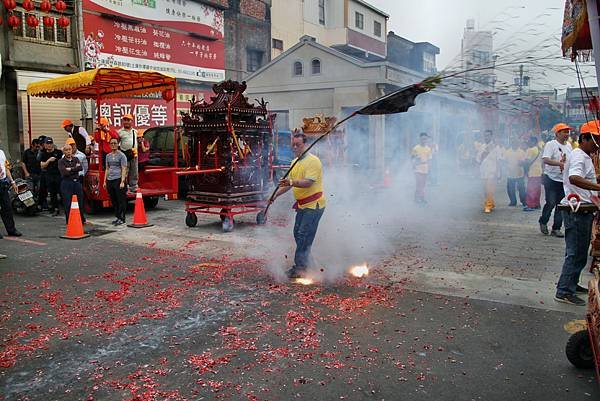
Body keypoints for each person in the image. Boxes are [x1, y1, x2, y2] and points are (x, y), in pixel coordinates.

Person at [554, 125, 600, 305]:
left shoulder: (582, 155)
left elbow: (585, 178)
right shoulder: (579, 156)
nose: (598, 146)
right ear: (585, 139)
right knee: (575, 253)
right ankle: (564, 291)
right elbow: (574, 177)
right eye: (596, 141)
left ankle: (571, 284)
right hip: (577, 211)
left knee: (580, 252)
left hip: (583, 209)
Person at [272, 132, 326, 278]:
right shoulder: (294, 162)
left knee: (303, 234)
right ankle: (308, 262)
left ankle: (300, 268)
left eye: (298, 145)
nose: (295, 148)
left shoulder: (313, 161)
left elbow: (308, 182)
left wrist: (291, 182)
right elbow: (289, 184)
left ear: (305, 145)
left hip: (314, 205)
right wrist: (275, 195)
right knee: (298, 233)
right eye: (293, 145)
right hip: (302, 206)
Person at [539, 123, 573, 237]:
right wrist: (559, 163)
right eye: (564, 132)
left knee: (561, 205)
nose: (567, 134)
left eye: (568, 132)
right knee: (551, 202)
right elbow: (545, 159)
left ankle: (556, 228)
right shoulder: (551, 144)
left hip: (563, 180)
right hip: (551, 178)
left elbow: (570, 160)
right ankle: (543, 221)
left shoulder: (569, 145)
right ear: (557, 133)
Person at [0, 139, 22, 238]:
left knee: (7, 208)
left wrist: (12, 182)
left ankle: (11, 229)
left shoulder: (1, 153)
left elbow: (6, 167)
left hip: (3, 183)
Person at [103, 137, 128, 226]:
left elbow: (124, 168)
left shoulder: (122, 155)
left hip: (118, 179)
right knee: (113, 200)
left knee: (120, 199)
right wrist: (104, 181)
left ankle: (122, 218)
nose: (113, 145)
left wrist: (122, 181)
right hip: (110, 179)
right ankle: (117, 216)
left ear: (118, 144)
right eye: (112, 143)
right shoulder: (108, 156)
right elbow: (107, 168)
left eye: (115, 143)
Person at [476, 130, 501, 213]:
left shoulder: (496, 147)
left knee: (489, 189)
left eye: (488, 135)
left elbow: (498, 161)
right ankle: (491, 203)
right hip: (483, 172)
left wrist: (498, 172)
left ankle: (488, 206)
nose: (486, 137)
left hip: (492, 172)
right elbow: (478, 159)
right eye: (485, 135)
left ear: (491, 136)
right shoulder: (481, 147)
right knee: (485, 190)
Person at [58, 144, 84, 225]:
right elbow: (64, 172)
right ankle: (69, 220)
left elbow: (80, 168)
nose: (68, 151)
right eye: (66, 150)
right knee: (67, 202)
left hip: (77, 182)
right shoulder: (61, 161)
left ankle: (81, 220)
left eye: (69, 149)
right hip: (66, 183)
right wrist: (74, 169)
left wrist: (70, 169)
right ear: (64, 152)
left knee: (80, 201)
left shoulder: (76, 159)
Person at [39, 137, 63, 216]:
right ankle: (54, 208)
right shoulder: (43, 153)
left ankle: (66, 207)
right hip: (49, 175)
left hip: (58, 175)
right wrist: (49, 160)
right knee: (52, 193)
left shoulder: (59, 152)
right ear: (44, 145)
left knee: (61, 191)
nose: (49, 145)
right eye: (47, 143)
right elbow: (42, 165)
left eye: (50, 143)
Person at [66, 138, 88, 221]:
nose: (72, 147)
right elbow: (64, 170)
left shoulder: (81, 155)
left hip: (79, 178)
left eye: (73, 145)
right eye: (70, 146)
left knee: (79, 198)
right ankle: (71, 217)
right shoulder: (63, 157)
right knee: (69, 199)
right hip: (68, 179)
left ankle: (81, 217)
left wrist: (80, 173)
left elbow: (85, 167)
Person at [118, 114, 138, 192]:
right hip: (124, 153)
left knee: (134, 171)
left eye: (128, 120)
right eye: (125, 120)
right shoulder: (120, 132)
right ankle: (124, 187)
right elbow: (117, 143)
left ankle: (134, 186)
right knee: (124, 171)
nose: (126, 122)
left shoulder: (135, 131)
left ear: (131, 121)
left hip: (134, 154)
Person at [503, 140, 526, 207]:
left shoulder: (521, 152)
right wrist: (506, 166)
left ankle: (523, 201)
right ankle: (513, 201)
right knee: (510, 189)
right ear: (511, 144)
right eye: (513, 143)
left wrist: (522, 163)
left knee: (521, 189)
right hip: (510, 173)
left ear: (518, 144)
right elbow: (504, 160)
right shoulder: (507, 152)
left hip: (519, 173)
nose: (515, 144)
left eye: (516, 143)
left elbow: (524, 162)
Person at [411, 133, 432, 204]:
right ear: (420, 139)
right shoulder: (415, 148)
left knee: (423, 185)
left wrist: (429, 168)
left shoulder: (428, 149)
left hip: (425, 168)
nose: (424, 140)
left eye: (425, 139)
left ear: (427, 139)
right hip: (417, 168)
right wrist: (414, 162)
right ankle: (417, 199)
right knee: (419, 184)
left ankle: (421, 198)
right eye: (422, 139)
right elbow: (412, 158)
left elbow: (429, 160)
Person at [523, 136, 543, 211]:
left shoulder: (530, 150)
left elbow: (527, 162)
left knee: (531, 189)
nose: (528, 142)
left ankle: (531, 205)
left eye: (529, 141)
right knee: (537, 189)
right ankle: (537, 204)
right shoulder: (539, 149)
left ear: (533, 142)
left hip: (532, 172)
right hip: (538, 171)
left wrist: (521, 163)